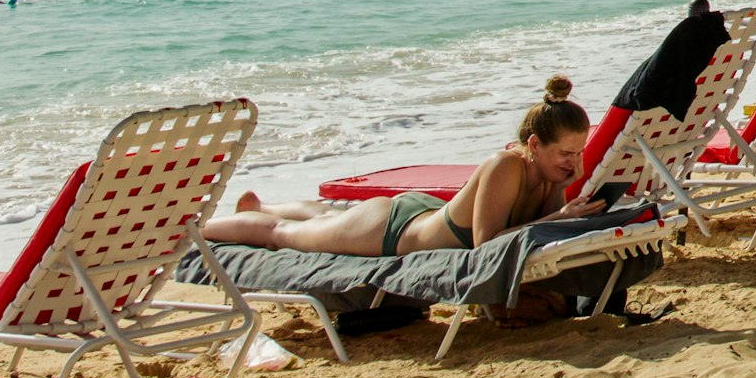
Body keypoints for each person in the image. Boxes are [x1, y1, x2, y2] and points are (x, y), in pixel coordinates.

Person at [208, 79, 591, 259]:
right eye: (566, 153)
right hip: (390, 231)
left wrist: (561, 190)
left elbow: (541, 225)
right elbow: (486, 244)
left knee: (324, 216)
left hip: (420, 213)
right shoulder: (504, 165)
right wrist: (560, 213)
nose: (573, 162)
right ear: (535, 145)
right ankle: (195, 227)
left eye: (579, 153)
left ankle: (264, 205)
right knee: (284, 235)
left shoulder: (546, 176)